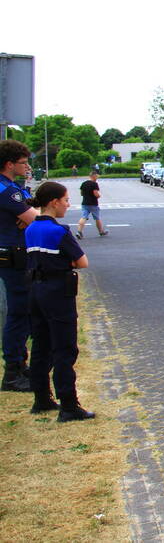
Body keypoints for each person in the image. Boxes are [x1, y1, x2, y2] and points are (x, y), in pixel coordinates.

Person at [25, 182, 93, 420]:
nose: (68, 204)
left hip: (35, 291)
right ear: (54, 202)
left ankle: (41, 398)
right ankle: (69, 405)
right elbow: (82, 262)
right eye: (65, 200)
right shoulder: (59, 231)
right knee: (64, 348)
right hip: (57, 292)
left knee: (41, 346)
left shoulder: (30, 228)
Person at [0, 141, 38, 392]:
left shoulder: (13, 187)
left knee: (24, 312)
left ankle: (19, 364)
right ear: (9, 164)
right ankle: (13, 371)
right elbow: (33, 219)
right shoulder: (6, 190)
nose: (27, 167)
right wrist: (27, 216)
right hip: (13, 256)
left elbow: (29, 214)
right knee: (18, 312)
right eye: (23, 162)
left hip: (18, 254)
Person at [76, 170, 108, 238]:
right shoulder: (94, 184)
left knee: (84, 217)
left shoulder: (84, 183)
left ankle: (79, 231)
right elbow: (95, 193)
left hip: (84, 203)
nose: (97, 177)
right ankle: (101, 232)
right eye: (97, 176)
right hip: (93, 203)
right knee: (97, 218)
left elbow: (81, 193)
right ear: (94, 176)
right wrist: (99, 196)